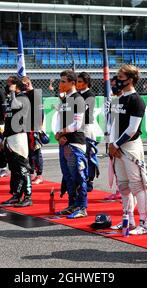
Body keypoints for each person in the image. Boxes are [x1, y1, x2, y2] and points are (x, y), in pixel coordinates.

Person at [108, 65, 147, 235]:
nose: (117, 80)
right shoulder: (118, 99)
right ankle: (128, 219)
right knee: (123, 185)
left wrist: (116, 145)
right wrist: (112, 145)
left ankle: (144, 222)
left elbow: (133, 129)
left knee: (137, 185)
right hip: (117, 147)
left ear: (130, 79)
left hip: (130, 147)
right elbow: (113, 125)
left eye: (120, 76)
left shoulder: (136, 100)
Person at [55, 70, 88, 219]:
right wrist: (59, 135)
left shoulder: (78, 99)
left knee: (78, 176)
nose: (60, 84)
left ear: (72, 83)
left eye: (63, 81)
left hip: (76, 143)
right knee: (68, 176)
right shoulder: (65, 100)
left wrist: (62, 132)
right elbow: (59, 120)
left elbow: (77, 123)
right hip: (64, 143)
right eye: (60, 81)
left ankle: (82, 207)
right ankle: (72, 204)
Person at [0, 75, 32, 207]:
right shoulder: (10, 98)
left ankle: (28, 196)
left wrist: (13, 92)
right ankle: (16, 195)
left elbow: (16, 106)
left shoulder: (23, 98)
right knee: (14, 168)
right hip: (10, 137)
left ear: (16, 85)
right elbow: (7, 119)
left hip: (19, 137)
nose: (7, 86)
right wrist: (4, 138)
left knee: (22, 168)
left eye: (10, 84)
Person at [77, 72, 99, 191]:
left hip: (86, 126)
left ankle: (90, 180)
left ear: (86, 83)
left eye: (80, 81)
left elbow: (80, 109)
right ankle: (82, 178)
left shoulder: (90, 95)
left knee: (89, 154)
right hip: (78, 127)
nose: (77, 84)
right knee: (80, 154)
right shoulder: (77, 94)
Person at [22, 76, 45, 185]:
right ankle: (31, 173)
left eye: (23, 85)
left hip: (34, 127)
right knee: (28, 152)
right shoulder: (24, 94)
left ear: (27, 83)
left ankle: (39, 175)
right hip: (25, 126)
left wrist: (39, 127)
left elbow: (41, 112)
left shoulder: (36, 94)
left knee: (36, 151)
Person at [104, 76, 122, 201]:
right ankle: (118, 189)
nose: (113, 87)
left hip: (121, 138)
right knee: (114, 165)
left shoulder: (124, 101)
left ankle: (123, 190)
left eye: (115, 84)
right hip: (112, 136)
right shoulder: (113, 101)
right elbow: (109, 119)